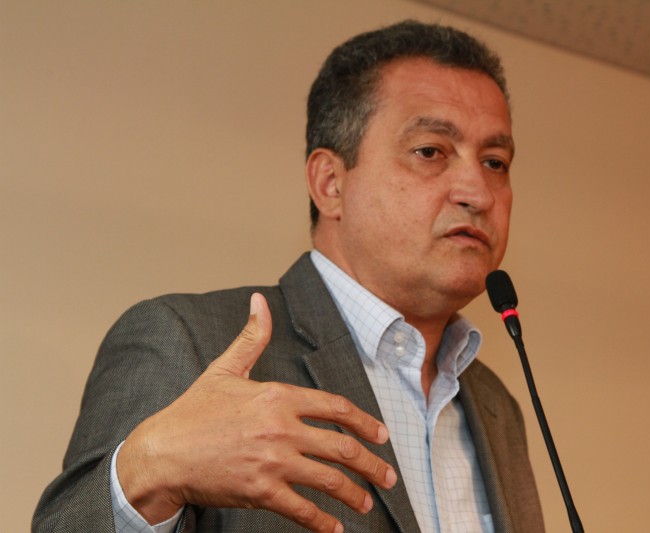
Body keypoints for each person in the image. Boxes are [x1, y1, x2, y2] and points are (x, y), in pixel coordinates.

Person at [34, 20, 544, 533]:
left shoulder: (496, 405)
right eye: (430, 151)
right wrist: (149, 472)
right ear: (330, 183)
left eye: (495, 162)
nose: (477, 192)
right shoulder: (188, 342)